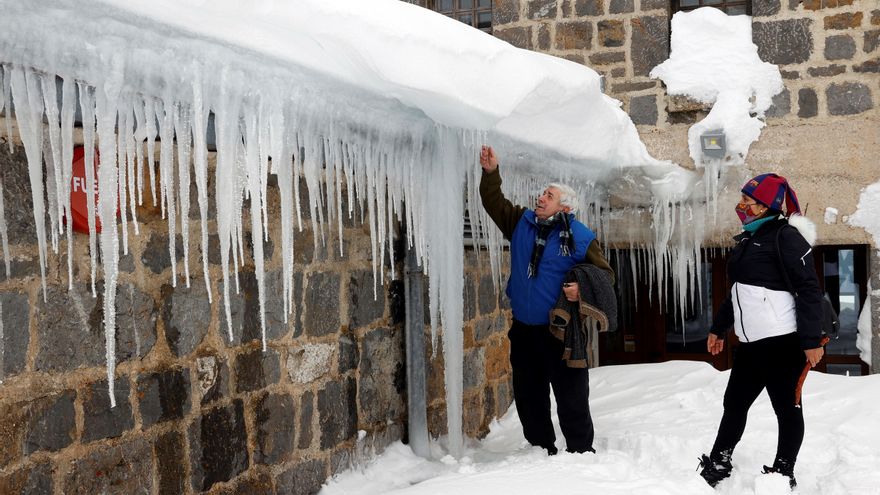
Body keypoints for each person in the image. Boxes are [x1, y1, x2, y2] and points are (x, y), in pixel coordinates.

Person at [478, 145, 614, 455]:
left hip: (561, 331)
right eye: (543, 194)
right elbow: (493, 202)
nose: (540, 198)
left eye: (548, 196)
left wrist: (581, 290)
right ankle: (541, 448)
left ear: (564, 208)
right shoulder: (521, 223)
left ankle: (581, 450)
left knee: (571, 394)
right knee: (528, 393)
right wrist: (490, 173)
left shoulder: (580, 237)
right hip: (524, 329)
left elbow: (605, 277)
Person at [699, 173, 824, 489]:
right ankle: (719, 460)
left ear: (766, 206)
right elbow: (739, 292)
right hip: (751, 345)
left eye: (749, 201)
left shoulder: (785, 237)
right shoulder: (747, 238)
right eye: (742, 198)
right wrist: (718, 328)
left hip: (784, 343)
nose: (741, 206)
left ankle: (784, 470)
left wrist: (810, 341)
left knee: (786, 408)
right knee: (735, 403)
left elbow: (809, 289)